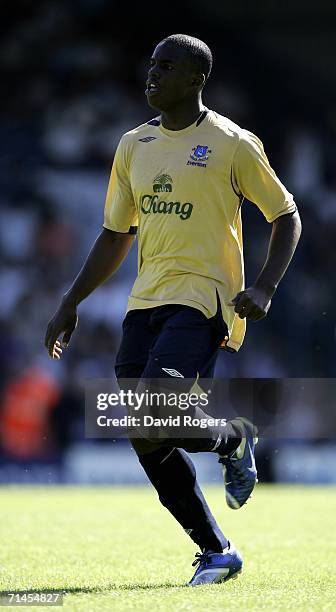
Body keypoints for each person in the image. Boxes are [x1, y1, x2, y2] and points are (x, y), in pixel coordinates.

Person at [45, 34, 302, 586]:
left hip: (204, 297)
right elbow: (116, 234)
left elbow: (285, 215)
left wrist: (265, 288)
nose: (153, 75)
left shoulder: (232, 143)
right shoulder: (133, 145)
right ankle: (217, 548)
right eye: (152, 65)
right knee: (145, 429)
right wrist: (71, 301)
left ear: (196, 79)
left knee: (154, 411)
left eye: (167, 67)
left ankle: (231, 440)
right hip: (146, 302)